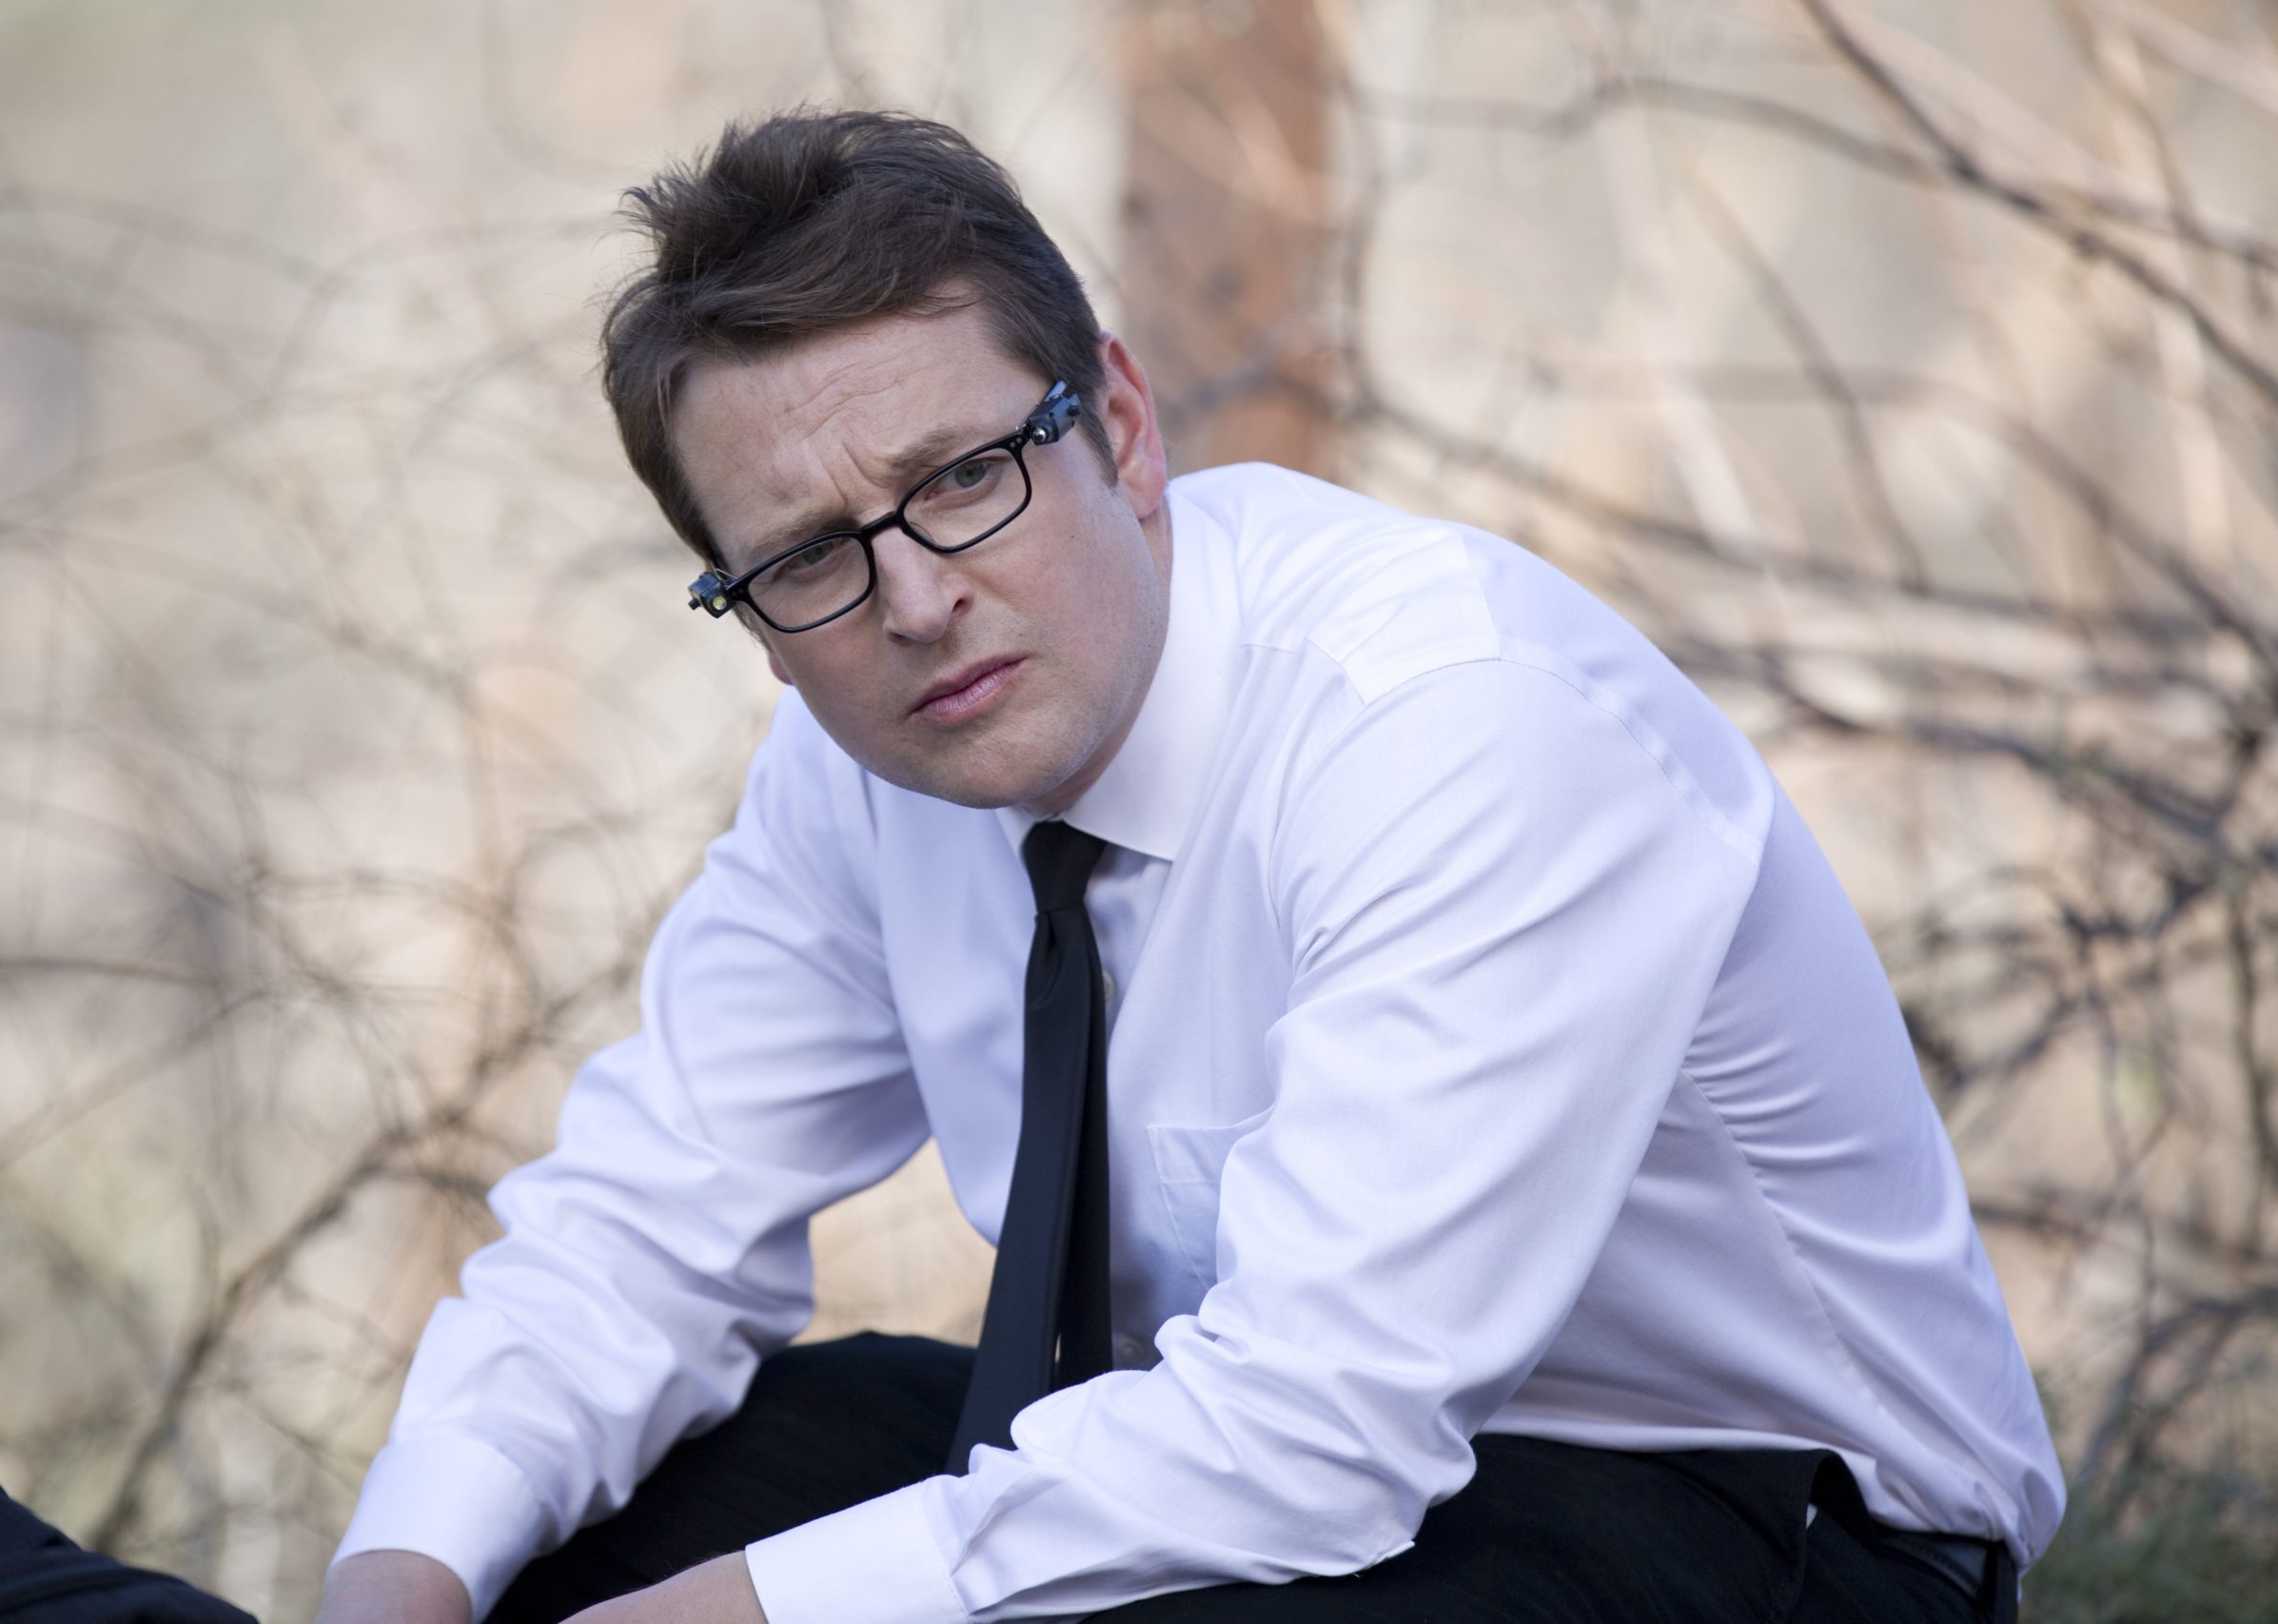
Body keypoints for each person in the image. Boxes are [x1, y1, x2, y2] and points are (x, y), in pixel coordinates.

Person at [314, 108, 2064, 1624]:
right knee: (634, 1514)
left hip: (1762, 1517)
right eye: (807, 560)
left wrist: (753, 1614)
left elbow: (1319, 1427)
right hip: (1282, 1464)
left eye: (964, 477)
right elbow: (647, 1225)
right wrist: (403, 1575)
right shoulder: (857, 768)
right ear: (754, 618)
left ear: (1123, 429)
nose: (913, 599)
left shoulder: (1454, 723)